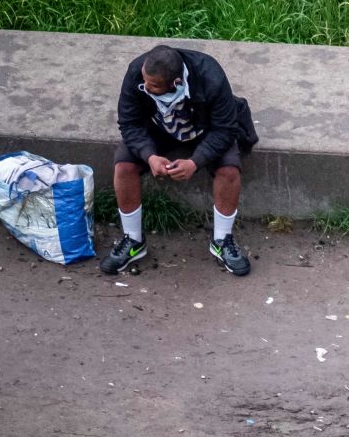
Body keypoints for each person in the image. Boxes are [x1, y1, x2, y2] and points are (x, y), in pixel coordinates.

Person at [100, 45, 259, 276]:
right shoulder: (137, 72)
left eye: (152, 86)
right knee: (124, 165)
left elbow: (225, 129)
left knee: (230, 170)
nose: (145, 87)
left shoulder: (210, 75)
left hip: (205, 129)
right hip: (157, 127)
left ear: (175, 83)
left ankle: (222, 241)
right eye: (144, 81)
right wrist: (149, 155)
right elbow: (129, 123)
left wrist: (195, 162)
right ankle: (134, 241)